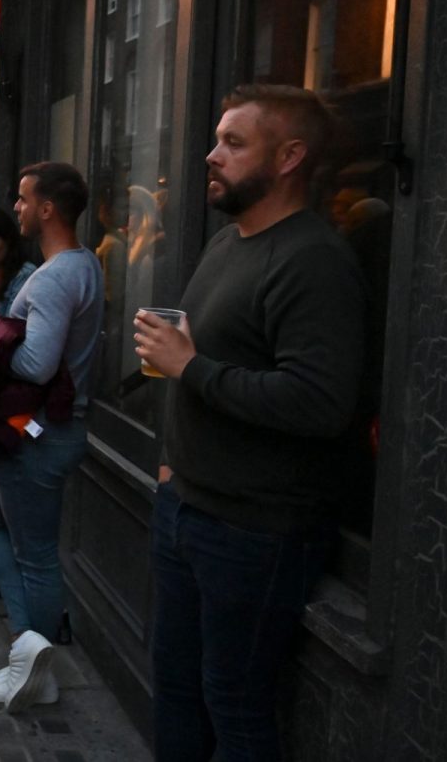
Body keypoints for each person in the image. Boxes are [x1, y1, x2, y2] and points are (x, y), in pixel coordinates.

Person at [134, 86, 366, 760]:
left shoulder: (314, 259)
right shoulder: (230, 242)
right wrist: (174, 465)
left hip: (255, 531)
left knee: (234, 705)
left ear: (290, 155)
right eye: (217, 139)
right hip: (186, 507)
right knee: (176, 688)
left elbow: (320, 403)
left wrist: (191, 368)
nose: (211, 155)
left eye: (234, 142)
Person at [0, 162, 104, 712]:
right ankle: (30, 650)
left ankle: (36, 670)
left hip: (36, 433)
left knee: (37, 556)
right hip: (50, 428)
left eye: (24, 200)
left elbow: (37, 364)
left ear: (47, 209)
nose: (17, 208)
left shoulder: (51, 277)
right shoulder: (84, 263)